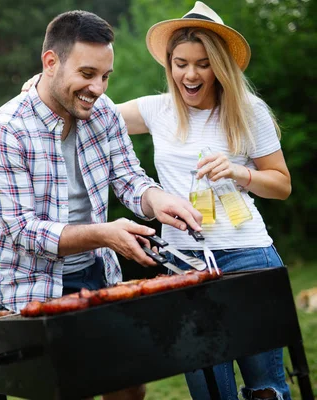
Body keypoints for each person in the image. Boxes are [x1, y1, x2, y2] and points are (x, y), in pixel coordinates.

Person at [0, 10, 203, 400]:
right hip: (33, 285)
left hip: (99, 273)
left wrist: (159, 200)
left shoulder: (104, 114)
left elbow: (130, 178)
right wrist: (105, 234)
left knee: (129, 388)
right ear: (51, 63)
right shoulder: (2, 132)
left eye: (105, 76)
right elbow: (21, 230)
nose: (98, 88)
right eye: (87, 74)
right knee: (70, 388)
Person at [115, 3, 292, 400]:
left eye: (202, 63)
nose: (190, 74)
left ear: (220, 66)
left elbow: (281, 185)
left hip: (249, 257)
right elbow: (90, 109)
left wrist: (238, 171)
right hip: (184, 265)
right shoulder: (155, 110)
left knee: (266, 387)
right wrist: (41, 86)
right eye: (180, 63)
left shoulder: (250, 112)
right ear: (169, 65)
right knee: (210, 389)